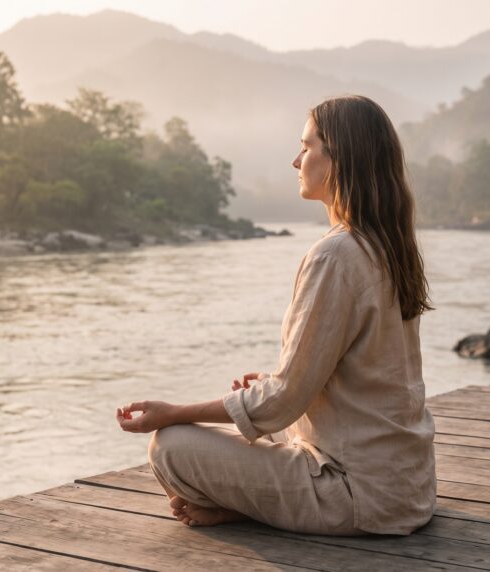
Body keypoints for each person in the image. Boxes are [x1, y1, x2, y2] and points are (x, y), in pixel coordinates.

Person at [115, 94, 437, 536]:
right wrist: (271, 383)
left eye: (307, 147)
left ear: (337, 159)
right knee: (257, 424)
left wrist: (173, 413)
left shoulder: (337, 254)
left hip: (356, 495)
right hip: (406, 489)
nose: (296, 160)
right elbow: (352, 375)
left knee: (171, 446)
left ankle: (248, 509)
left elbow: (283, 400)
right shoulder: (387, 245)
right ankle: (245, 508)